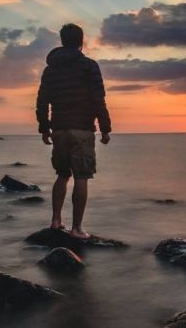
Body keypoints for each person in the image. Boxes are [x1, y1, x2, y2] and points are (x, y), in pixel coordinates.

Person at [36, 23, 111, 239]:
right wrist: (105, 129)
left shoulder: (51, 69)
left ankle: (55, 221)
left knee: (62, 175)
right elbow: (98, 98)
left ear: (62, 40)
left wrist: (44, 127)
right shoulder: (89, 66)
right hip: (82, 129)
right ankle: (77, 229)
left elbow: (42, 100)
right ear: (81, 41)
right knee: (81, 176)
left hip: (59, 128)